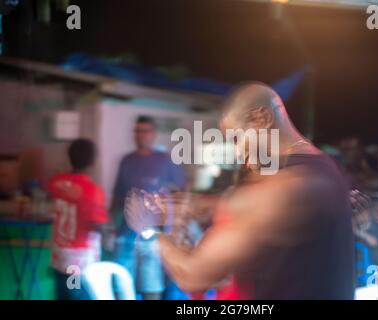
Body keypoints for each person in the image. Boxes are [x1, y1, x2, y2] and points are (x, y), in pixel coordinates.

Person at [156, 83, 355, 299]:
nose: (238, 153)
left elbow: (192, 276)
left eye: (236, 138)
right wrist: (205, 204)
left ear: (262, 119)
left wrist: (153, 230)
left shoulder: (286, 188)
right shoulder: (321, 167)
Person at [110, 115, 186, 300]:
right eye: (137, 131)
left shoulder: (165, 161)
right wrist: (111, 227)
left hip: (153, 237)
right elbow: (117, 196)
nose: (141, 135)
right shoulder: (126, 161)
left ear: (153, 134)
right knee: (122, 286)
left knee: (151, 287)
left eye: (145, 131)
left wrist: (174, 228)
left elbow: (181, 194)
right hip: (126, 235)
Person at [47, 139, 108, 300]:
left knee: (63, 295)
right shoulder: (92, 191)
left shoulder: (56, 182)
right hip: (77, 262)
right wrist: (107, 229)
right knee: (75, 295)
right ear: (93, 162)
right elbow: (96, 224)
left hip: (59, 255)